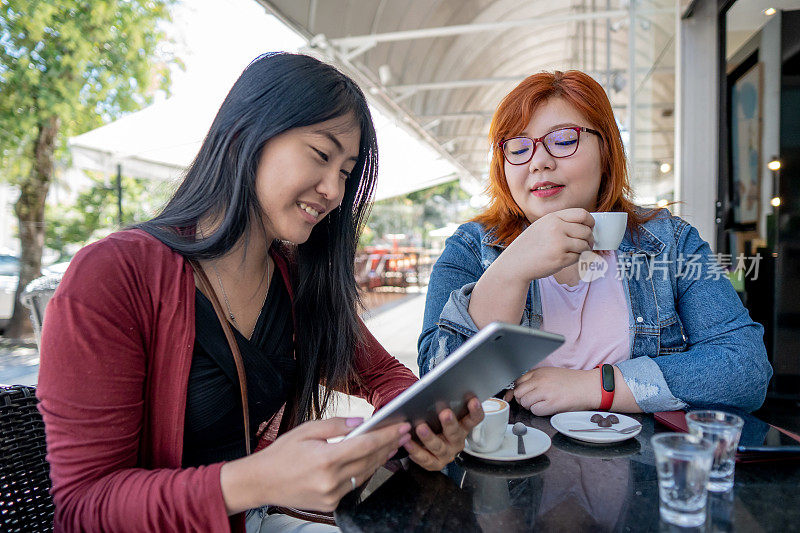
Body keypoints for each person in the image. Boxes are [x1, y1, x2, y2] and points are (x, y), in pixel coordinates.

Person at [37, 52, 483, 532]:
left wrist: (417, 429)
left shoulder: (293, 279)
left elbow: (384, 376)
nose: (334, 189)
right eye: (320, 155)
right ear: (245, 135)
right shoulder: (115, 274)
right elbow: (82, 508)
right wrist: (257, 480)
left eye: (347, 171)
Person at [418, 70, 771, 416]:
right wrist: (511, 269)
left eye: (564, 139)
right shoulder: (469, 247)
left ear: (606, 149)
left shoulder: (670, 242)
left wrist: (596, 386)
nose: (539, 162)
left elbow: (745, 367)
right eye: (518, 147)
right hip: (510, 468)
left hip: (643, 467)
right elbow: (438, 395)